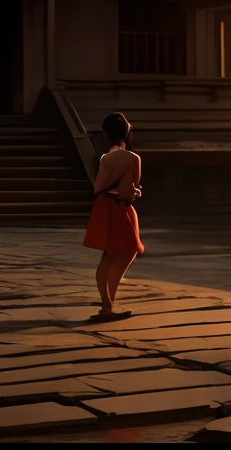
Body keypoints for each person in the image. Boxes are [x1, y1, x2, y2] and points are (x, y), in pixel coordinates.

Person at [83, 112, 143, 322]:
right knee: (127, 252)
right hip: (120, 207)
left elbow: (100, 185)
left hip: (103, 206)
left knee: (108, 255)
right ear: (127, 133)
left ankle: (107, 303)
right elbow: (128, 192)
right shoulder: (132, 158)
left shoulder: (105, 158)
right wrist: (136, 192)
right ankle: (109, 304)